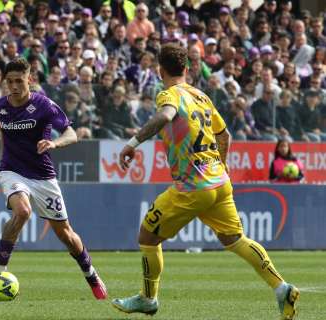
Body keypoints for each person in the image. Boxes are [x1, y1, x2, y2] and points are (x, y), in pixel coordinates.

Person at [111, 44, 299, 319]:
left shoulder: (169, 94)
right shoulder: (202, 96)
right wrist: (219, 166)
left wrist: (132, 143)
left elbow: (165, 116)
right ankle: (281, 287)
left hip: (192, 186)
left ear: (160, 70)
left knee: (148, 236)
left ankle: (148, 299)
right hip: (219, 182)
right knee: (235, 239)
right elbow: (225, 136)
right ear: (187, 69)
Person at [0, 58, 107, 300]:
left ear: (29, 80)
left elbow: (71, 134)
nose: (14, 86)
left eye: (19, 81)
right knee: (22, 212)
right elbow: (4, 137)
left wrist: (54, 142)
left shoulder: (44, 105)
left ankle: (91, 273)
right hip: (12, 170)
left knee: (66, 235)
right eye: (9, 81)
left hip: (42, 175)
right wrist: (5, 162)